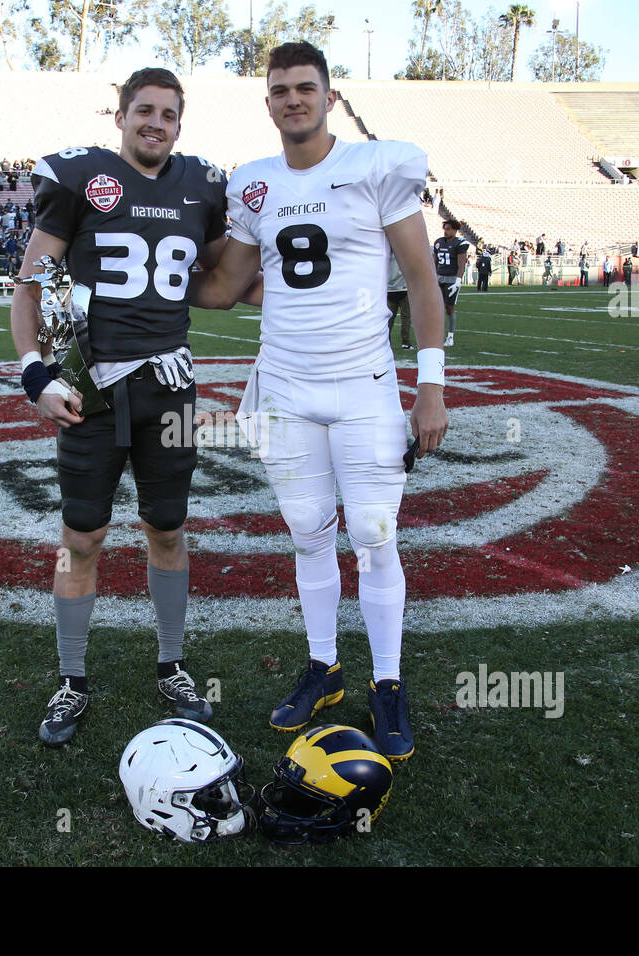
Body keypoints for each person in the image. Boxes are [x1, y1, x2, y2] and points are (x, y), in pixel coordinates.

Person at [193, 41, 448, 762]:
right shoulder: (253, 184)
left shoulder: (375, 167)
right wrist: (145, 278)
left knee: (372, 536)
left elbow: (421, 280)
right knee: (307, 529)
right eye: (281, 89)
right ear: (267, 101)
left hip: (364, 383)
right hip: (285, 388)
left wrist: (429, 383)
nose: (293, 99)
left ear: (330, 97)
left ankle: (389, 682)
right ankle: (323, 665)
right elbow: (220, 287)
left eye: (307, 88)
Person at [10, 67, 235, 748]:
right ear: (121, 115)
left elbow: (223, 281)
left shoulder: (201, 186)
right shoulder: (83, 178)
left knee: (167, 529)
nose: (155, 123)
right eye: (144, 110)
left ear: (179, 122)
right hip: (94, 390)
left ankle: (171, 663)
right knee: (81, 538)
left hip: (169, 387)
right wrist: (35, 374)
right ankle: (72, 677)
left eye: (168, 114)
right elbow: (32, 284)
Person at [434, 218, 470, 345]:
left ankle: (450, 336)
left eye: (449, 229)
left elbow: (461, 264)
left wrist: (458, 280)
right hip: (439, 277)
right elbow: (435, 262)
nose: (446, 231)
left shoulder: (460, 243)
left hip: (451, 279)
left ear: (455, 230)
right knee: (435, 307)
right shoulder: (438, 242)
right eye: (445, 229)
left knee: (449, 308)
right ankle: (436, 334)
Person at [387, 252, 411, 349]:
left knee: (389, 319)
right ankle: (405, 342)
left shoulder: (386, 251)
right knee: (405, 318)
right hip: (402, 288)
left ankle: (387, 342)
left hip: (390, 288)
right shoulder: (405, 251)